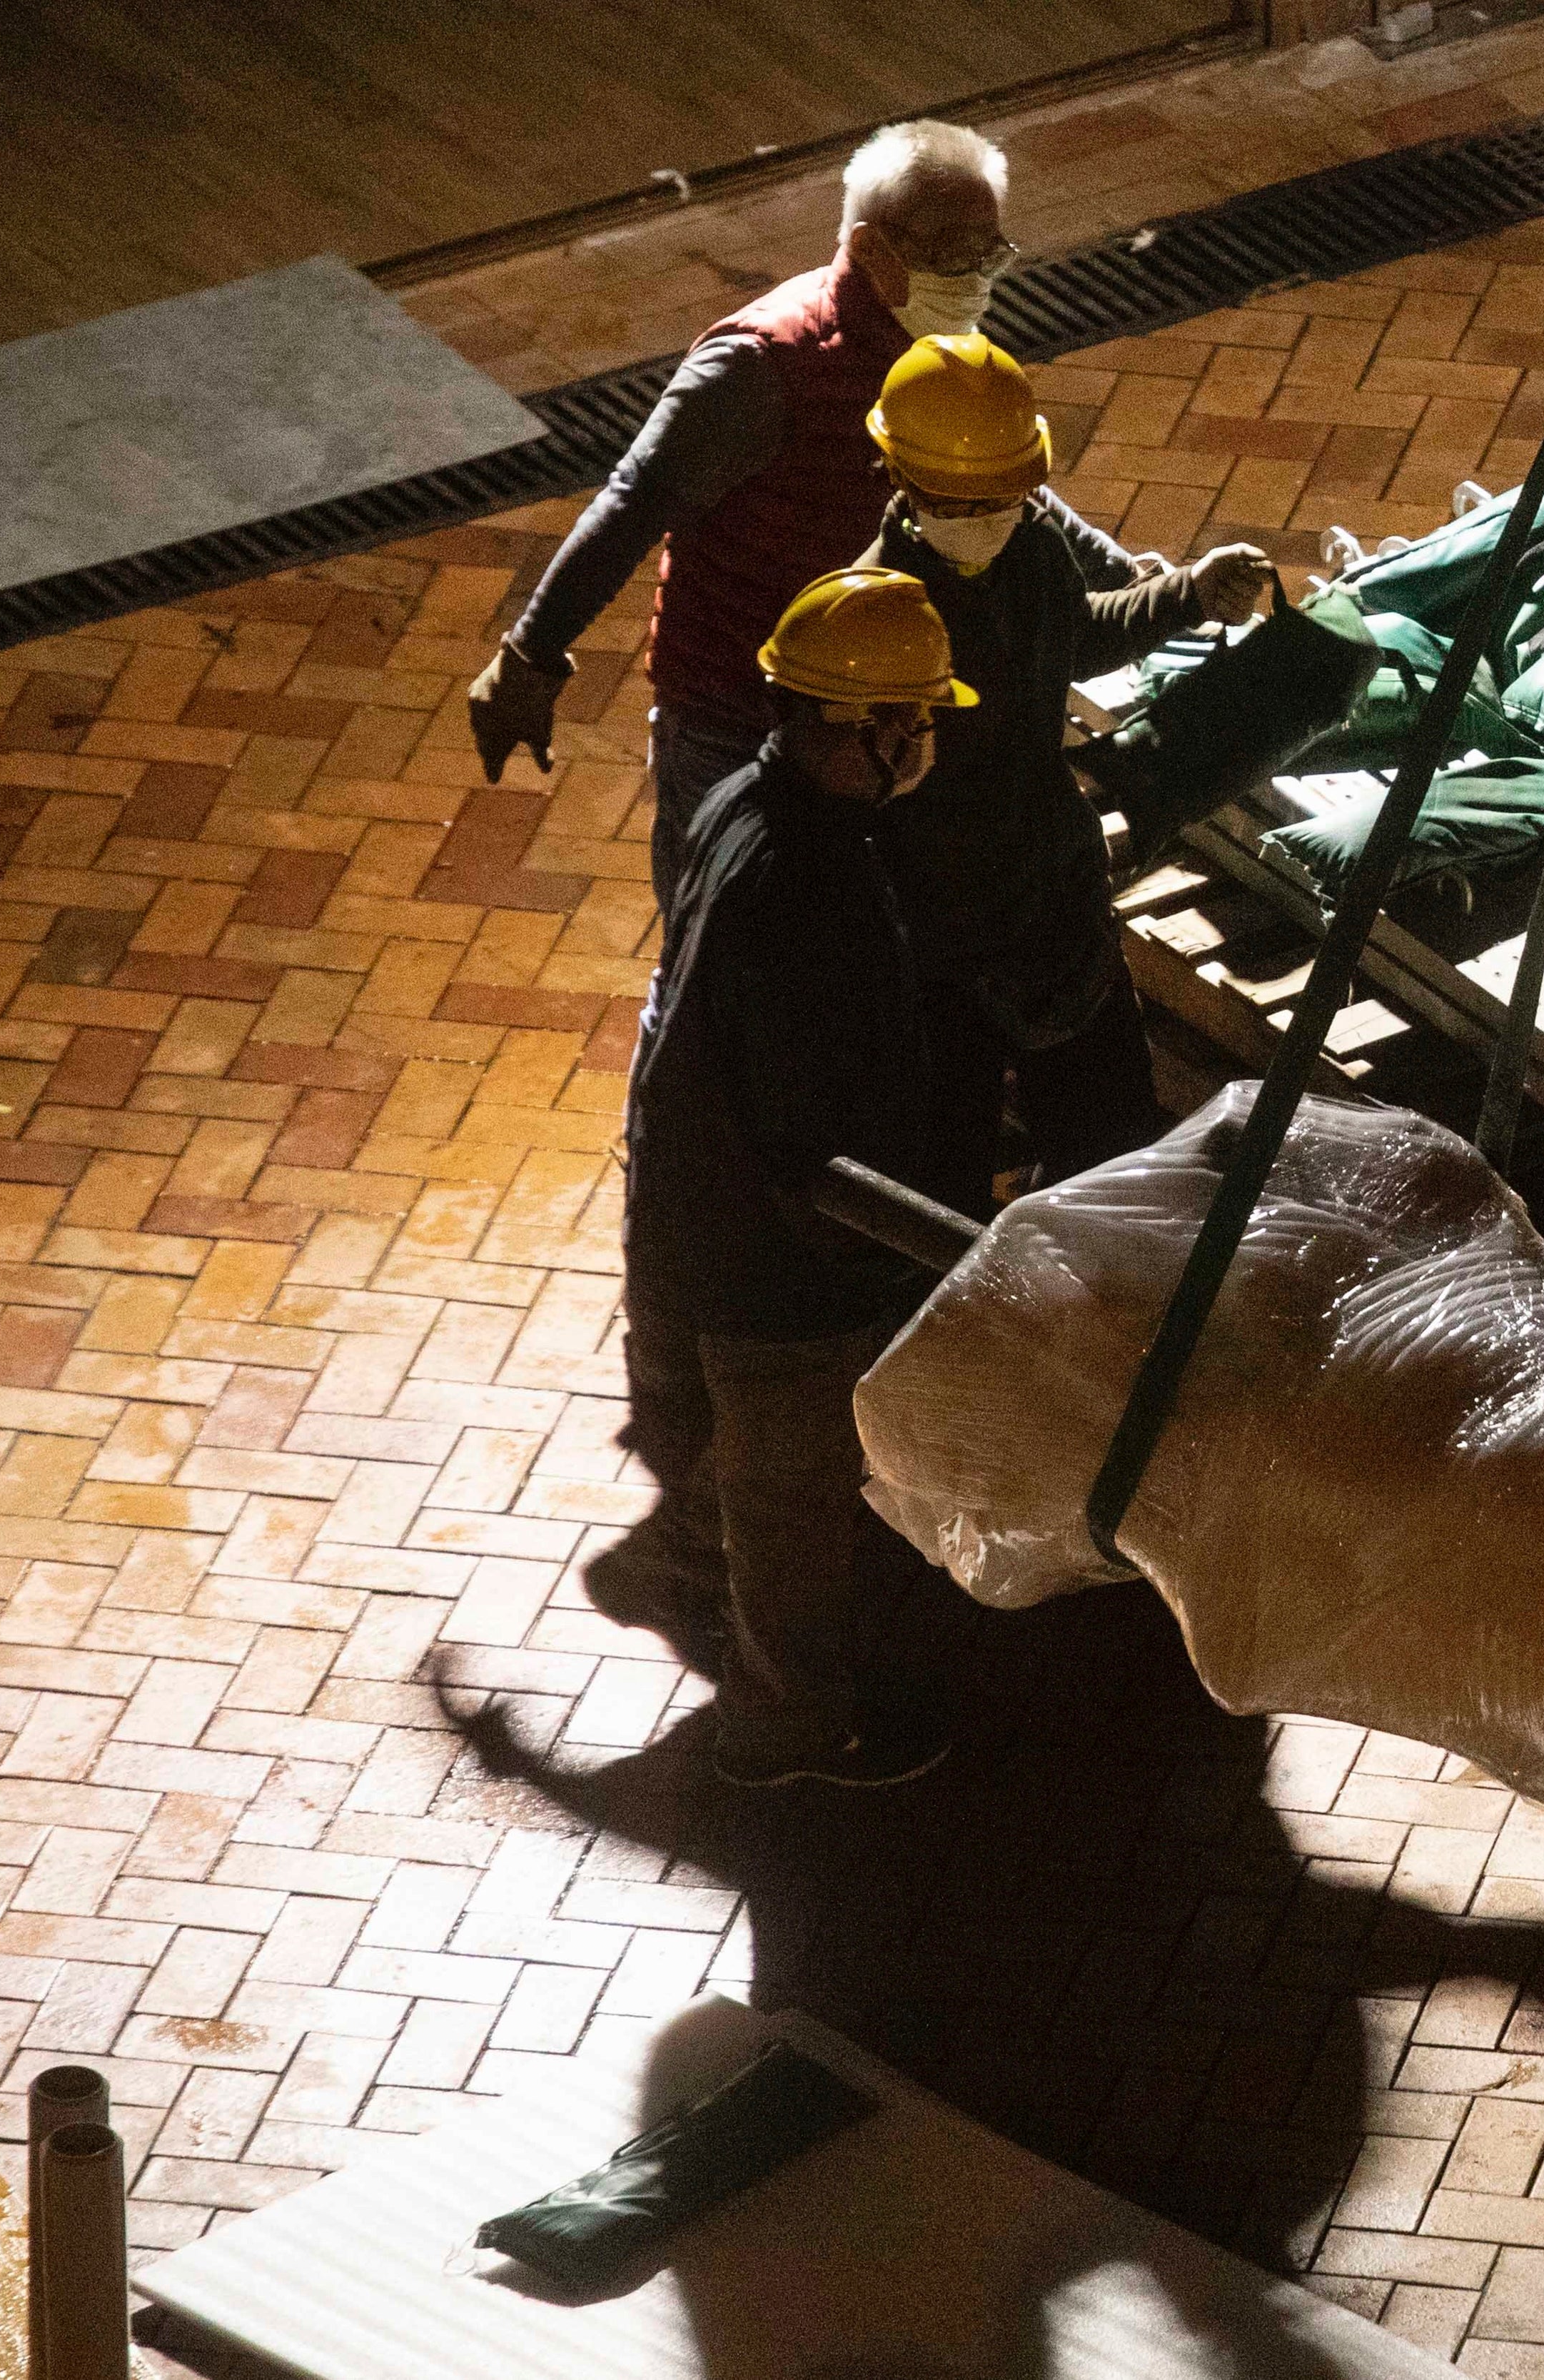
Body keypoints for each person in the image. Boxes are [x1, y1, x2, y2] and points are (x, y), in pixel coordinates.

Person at [599, 566, 987, 1789]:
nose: (923, 744)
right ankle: (788, 1724)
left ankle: (709, 1573)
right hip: (776, 1270)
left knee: (742, 1460)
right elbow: (813, 1149)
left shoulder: (739, 808)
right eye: (913, 723)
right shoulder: (805, 893)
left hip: (698, 1210)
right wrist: (960, 1249)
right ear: (859, 728)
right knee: (793, 1505)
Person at [465, 119, 1016, 912]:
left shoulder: (944, 346)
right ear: (870, 248)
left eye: (988, 253)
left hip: (871, 716)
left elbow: (990, 479)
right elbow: (632, 503)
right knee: (714, 941)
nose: (974, 277)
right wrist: (530, 660)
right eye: (950, 253)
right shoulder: (762, 365)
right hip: (736, 717)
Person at [854, 333, 1268, 1204]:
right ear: (900, 480)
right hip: (940, 957)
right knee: (944, 1188)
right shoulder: (873, 621)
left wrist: (1188, 592)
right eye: (964, 499)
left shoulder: (1032, 550)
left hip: (1054, 914)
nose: (990, 513)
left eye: (1007, 493)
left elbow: (1074, 635)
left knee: (1111, 1161)